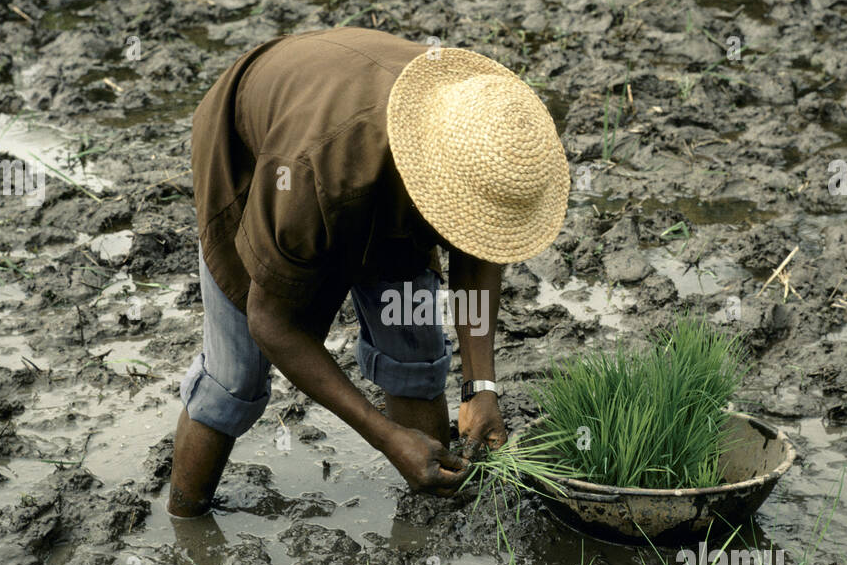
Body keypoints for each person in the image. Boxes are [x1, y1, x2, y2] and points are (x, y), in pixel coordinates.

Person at [168, 27, 569, 518]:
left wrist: (479, 387)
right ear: (427, 180)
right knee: (235, 381)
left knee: (415, 352)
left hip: (363, 147)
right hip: (261, 153)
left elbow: (477, 249)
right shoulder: (312, 172)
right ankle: (185, 527)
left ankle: (426, 532)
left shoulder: (478, 127)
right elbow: (271, 322)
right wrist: (386, 437)